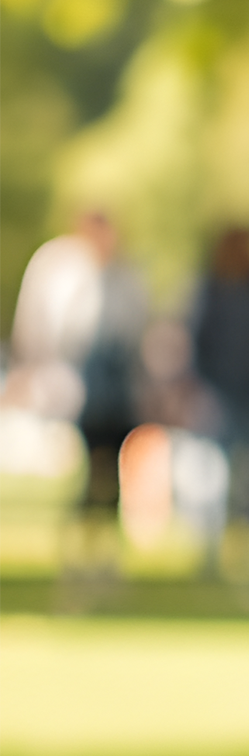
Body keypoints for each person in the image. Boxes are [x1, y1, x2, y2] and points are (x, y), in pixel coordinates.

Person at [12, 210, 145, 596]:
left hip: (115, 393)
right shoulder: (58, 268)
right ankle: (75, 555)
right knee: (78, 474)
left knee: (112, 474)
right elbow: (35, 325)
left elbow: (135, 333)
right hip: (70, 389)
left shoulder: (126, 275)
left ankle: (106, 556)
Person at [188, 223, 249, 593]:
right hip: (217, 393)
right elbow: (196, 339)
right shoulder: (211, 288)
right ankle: (210, 552)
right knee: (212, 478)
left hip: (247, 393)